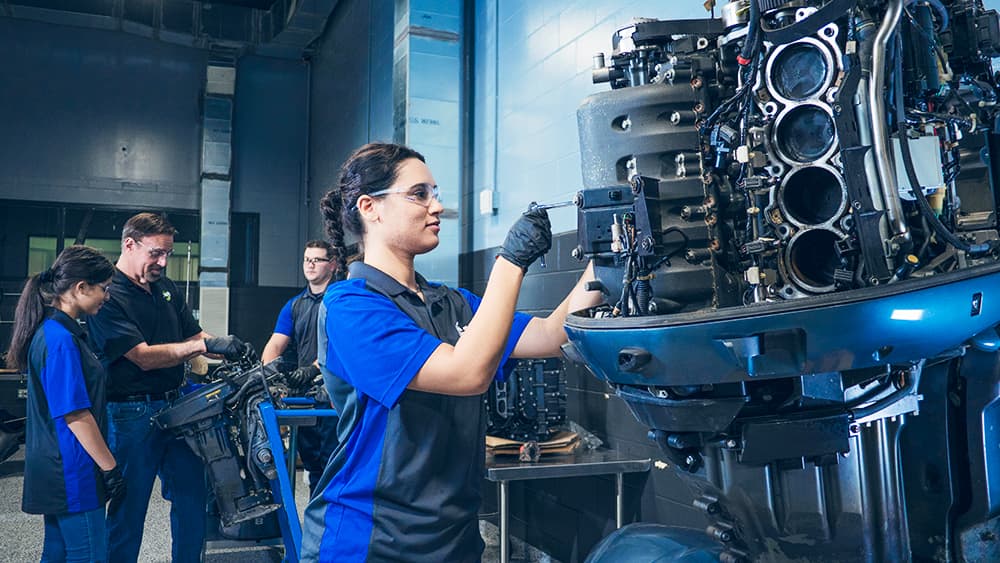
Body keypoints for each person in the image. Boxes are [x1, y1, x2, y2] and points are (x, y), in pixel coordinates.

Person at [300, 143, 602, 561]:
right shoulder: (351, 306)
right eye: (419, 194)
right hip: (372, 541)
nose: (437, 206)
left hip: (452, 540)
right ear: (371, 207)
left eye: (435, 192)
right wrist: (510, 262)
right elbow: (467, 374)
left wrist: (606, 254)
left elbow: (552, 336)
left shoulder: (452, 303)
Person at [86, 212, 248, 562]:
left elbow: (193, 334)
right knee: (130, 507)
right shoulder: (108, 295)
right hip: (131, 414)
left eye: (167, 254)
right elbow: (142, 356)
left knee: (193, 498)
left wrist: (227, 345)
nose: (162, 262)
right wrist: (205, 346)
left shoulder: (165, 288)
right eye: (155, 253)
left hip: (179, 411)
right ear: (129, 244)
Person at [6, 245, 126, 562]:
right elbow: (75, 415)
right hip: (74, 471)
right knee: (89, 556)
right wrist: (110, 467)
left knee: (57, 554)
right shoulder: (60, 340)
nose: (107, 296)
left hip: (56, 466)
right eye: (104, 289)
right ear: (80, 288)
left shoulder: (51, 331)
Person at [261, 239, 341, 494]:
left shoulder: (343, 301)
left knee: (334, 465)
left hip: (335, 397)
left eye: (317, 260)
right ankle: (318, 526)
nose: (310, 265)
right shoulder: (295, 305)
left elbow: (340, 345)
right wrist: (266, 375)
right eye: (307, 259)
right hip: (306, 399)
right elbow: (275, 345)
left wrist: (314, 368)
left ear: (333, 264)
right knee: (313, 464)